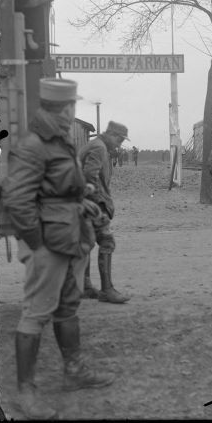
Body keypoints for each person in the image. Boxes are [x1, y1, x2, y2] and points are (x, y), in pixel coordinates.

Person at [1, 79, 114, 419]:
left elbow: (58, 190)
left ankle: (74, 372)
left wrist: (82, 203)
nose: (73, 112)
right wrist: (36, 245)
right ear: (65, 109)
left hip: (70, 236)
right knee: (36, 313)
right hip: (49, 243)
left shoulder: (60, 141)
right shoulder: (34, 146)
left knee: (68, 306)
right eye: (72, 107)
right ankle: (25, 392)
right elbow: (18, 200)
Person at [79, 121, 131, 303]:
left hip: (84, 202)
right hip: (93, 204)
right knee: (107, 242)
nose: (119, 144)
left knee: (86, 244)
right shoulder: (99, 148)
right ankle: (106, 290)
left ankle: (84, 286)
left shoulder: (96, 145)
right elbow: (89, 177)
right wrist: (98, 205)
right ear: (111, 135)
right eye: (119, 140)